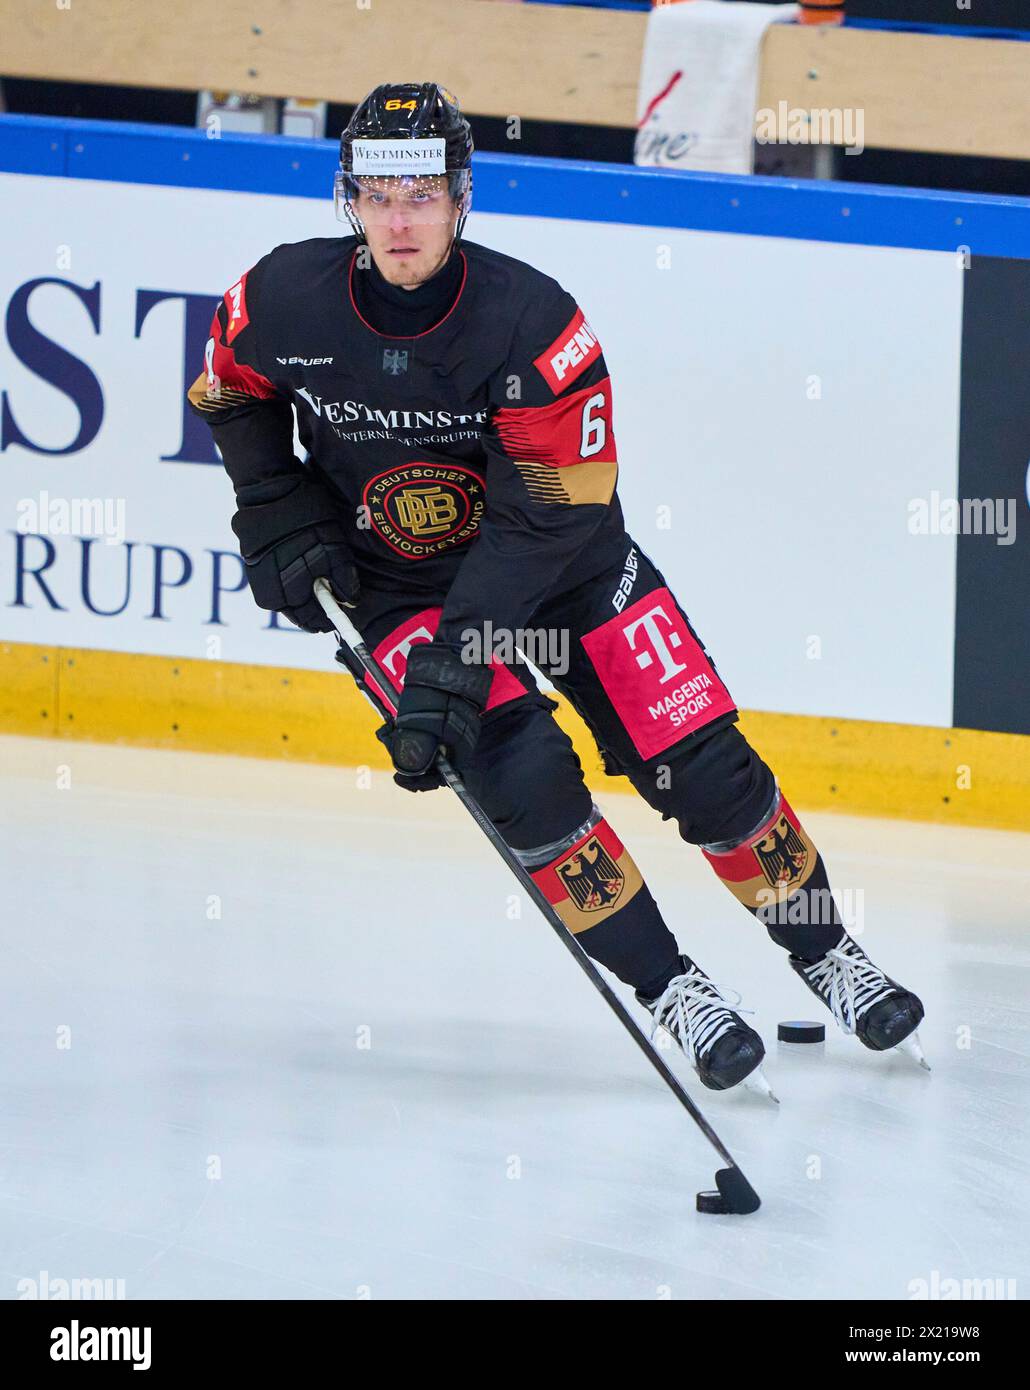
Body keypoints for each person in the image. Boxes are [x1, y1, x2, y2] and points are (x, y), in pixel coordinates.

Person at [188, 82, 926, 1095]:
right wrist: (273, 499)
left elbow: (554, 511)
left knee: (701, 766)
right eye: (379, 195)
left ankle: (824, 952)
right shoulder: (282, 297)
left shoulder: (534, 321)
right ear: (348, 200)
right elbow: (230, 385)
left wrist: (464, 648)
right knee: (525, 782)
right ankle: (673, 989)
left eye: (424, 194)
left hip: (568, 573)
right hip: (397, 592)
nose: (401, 220)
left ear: (461, 200)